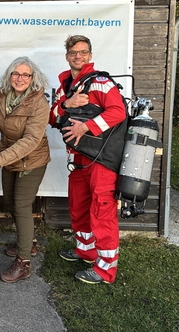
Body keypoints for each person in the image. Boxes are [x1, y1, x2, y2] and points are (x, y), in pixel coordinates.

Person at [49, 35, 127, 285]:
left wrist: (86, 127)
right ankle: (85, 251)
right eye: (73, 52)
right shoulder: (66, 86)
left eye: (83, 52)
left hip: (101, 161)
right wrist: (66, 104)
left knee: (102, 213)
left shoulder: (100, 82)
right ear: (67, 56)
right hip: (78, 160)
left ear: (90, 55)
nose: (78, 56)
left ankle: (105, 270)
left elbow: (118, 112)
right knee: (78, 208)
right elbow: (52, 117)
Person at [0, 56, 51, 283]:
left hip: (31, 160)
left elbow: (31, 139)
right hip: (10, 157)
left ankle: (24, 263)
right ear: (10, 76)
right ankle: (27, 243)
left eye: (25, 75)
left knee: (21, 205)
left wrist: (0, 159)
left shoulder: (39, 104)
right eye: (16, 74)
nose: (20, 78)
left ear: (33, 78)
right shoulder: (3, 96)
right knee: (10, 201)